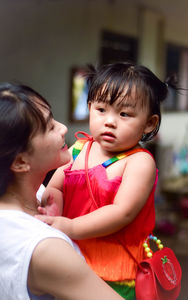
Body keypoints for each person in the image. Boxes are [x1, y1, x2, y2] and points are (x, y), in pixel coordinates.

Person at [36, 63, 175, 300]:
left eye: (124, 114)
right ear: (90, 107)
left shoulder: (139, 162)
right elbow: (56, 185)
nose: (110, 121)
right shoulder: (79, 149)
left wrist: (69, 227)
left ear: (149, 123)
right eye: (101, 109)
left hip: (114, 273)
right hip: (71, 261)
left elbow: (122, 212)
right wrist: (53, 208)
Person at [0, 82, 124, 300]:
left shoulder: (39, 196)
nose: (63, 128)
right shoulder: (44, 248)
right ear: (20, 161)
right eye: (49, 127)